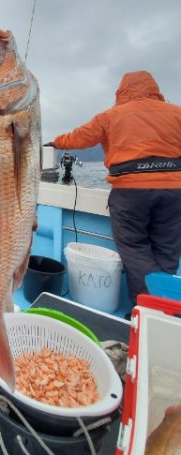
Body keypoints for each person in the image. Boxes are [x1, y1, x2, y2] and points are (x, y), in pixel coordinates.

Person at [46, 71, 181, 307]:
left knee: (135, 249)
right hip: (174, 192)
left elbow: (80, 137)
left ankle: (148, 309)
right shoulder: (176, 113)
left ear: (122, 91)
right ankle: (168, 309)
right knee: (168, 249)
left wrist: (56, 142)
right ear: (154, 89)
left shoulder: (111, 116)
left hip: (130, 192)